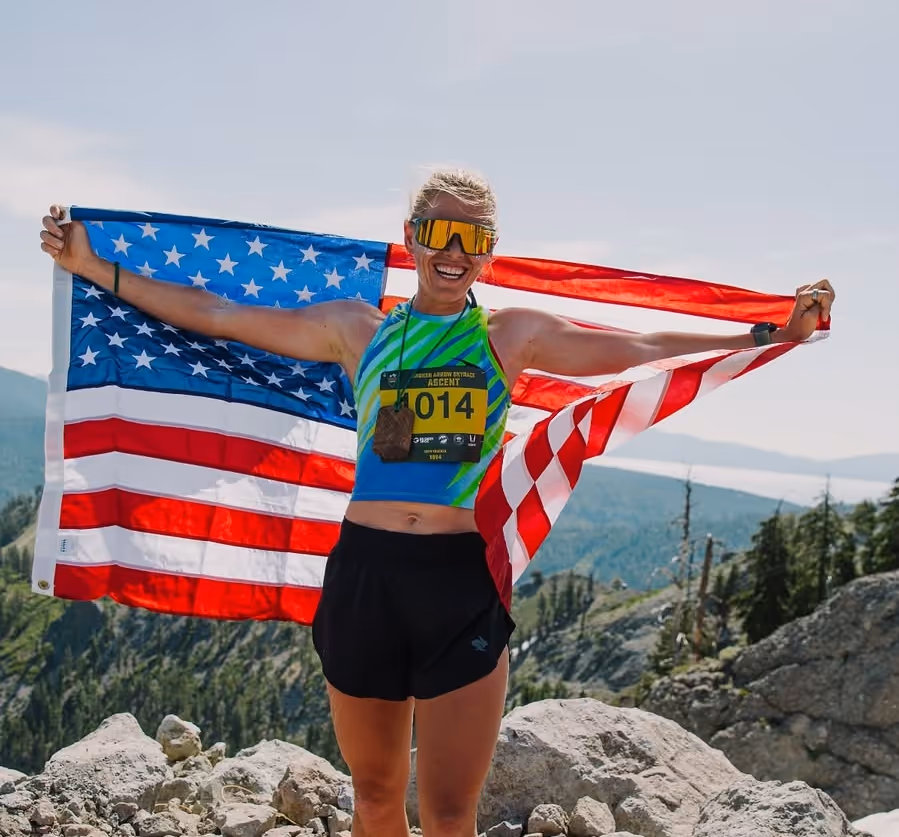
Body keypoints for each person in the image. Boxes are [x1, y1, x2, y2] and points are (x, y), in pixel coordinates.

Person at [39, 170, 834, 837]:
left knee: (452, 811)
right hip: (365, 576)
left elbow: (637, 347)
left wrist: (768, 332)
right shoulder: (357, 329)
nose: (454, 253)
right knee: (377, 795)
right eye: (439, 234)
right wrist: (94, 267)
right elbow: (218, 315)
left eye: (474, 239)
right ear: (414, 236)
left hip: (457, 580)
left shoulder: (510, 336)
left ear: (488, 251)